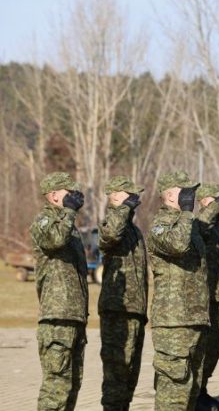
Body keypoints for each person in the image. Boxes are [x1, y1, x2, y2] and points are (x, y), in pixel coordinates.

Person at [147, 170, 209, 411]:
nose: (192, 196)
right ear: (172, 194)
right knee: (174, 390)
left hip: (194, 318)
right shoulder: (160, 225)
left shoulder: (188, 225)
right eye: (187, 191)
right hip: (173, 320)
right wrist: (185, 213)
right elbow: (177, 245)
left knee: (191, 390)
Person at [31, 172, 89, 411]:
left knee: (72, 385)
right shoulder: (44, 221)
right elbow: (54, 240)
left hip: (74, 316)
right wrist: (69, 212)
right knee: (56, 388)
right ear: (54, 195)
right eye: (69, 192)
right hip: (57, 316)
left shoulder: (70, 227)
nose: (74, 197)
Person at [98, 176, 148, 411]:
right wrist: (123, 209)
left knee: (130, 372)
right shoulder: (111, 222)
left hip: (135, 309)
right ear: (117, 196)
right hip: (117, 309)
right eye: (131, 196)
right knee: (116, 371)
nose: (136, 200)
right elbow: (110, 236)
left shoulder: (133, 229)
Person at [195, 183, 219, 410]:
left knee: (215, 348)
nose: (218, 204)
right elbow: (203, 226)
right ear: (201, 202)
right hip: (206, 295)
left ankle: (203, 388)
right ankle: (196, 392)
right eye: (212, 200)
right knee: (204, 347)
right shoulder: (198, 223)